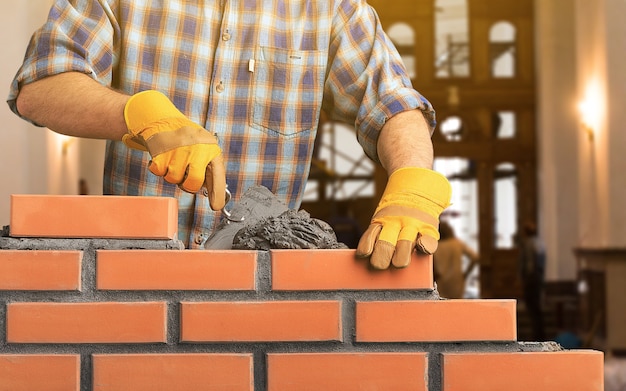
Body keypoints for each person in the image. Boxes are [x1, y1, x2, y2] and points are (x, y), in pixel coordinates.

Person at [8, 0, 451, 270]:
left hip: (260, 289)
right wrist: (138, 112)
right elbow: (39, 87)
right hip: (128, 280)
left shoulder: (331, 7)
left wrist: (412, 182)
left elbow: (393, 103)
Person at [433, 221, 479, 299]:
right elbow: (475, 257)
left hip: (441, 283)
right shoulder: (457, 243)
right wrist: (466, 274)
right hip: (457, 282)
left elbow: (434, 268)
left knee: (442, 308)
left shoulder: (435, 247)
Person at [518, 221, 546, 341]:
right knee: (537, 308)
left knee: (532, 307)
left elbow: (527, 264)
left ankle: (536, 335)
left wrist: (523, 278)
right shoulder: (540, 243)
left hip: (531, 279)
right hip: (538, 278)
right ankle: (539, 334)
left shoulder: (527, 244)